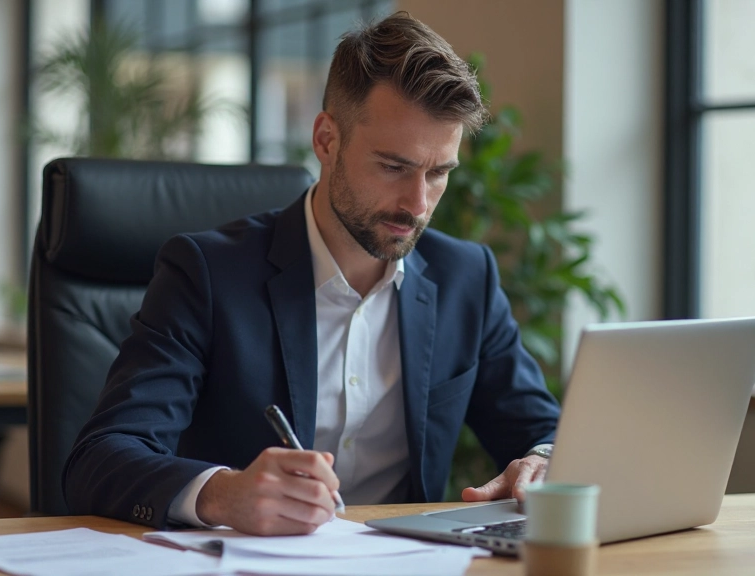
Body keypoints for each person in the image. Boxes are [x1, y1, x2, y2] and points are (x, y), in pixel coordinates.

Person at [63, 11, 561, 536]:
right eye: (393, 167)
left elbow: (544, 431)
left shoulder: (466, 279)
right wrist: (221, 493)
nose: (417, 203)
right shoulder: (207, 275)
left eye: (438, 173)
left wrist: (545, 459)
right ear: (326, 140)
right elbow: (100, 459)